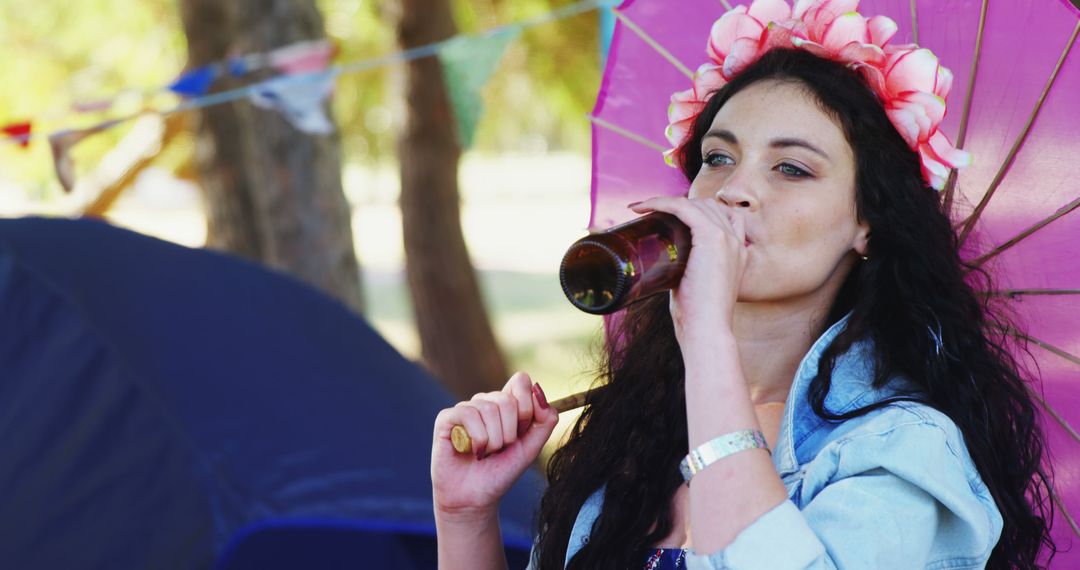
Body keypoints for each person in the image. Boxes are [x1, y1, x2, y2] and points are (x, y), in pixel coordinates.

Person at [430, 2, 1055, 568]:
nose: (734, 190)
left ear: (867, 223)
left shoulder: (901, 450)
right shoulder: (636, 430)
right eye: (718, 157)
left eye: (791, 168)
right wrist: (465, 517)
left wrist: (706, 337)